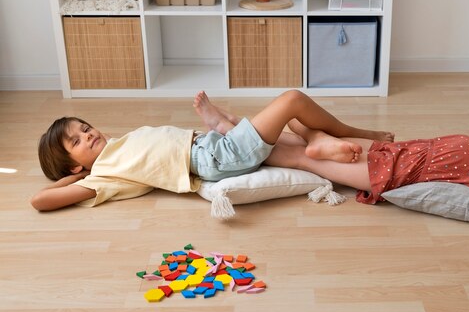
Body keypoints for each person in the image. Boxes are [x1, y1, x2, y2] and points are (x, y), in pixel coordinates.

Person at [31, 90, 393, 212]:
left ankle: (318, 142)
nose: (86, 135)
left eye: (84, 127)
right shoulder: (103, 176)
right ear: (75, 166)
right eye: (75, 142)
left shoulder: (118, 146)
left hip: (209, 146)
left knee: (296, 126)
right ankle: (349, 136)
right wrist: (72, 178)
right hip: (211, 160)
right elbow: (39, 201)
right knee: (292, 100)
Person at [260, 120, 469, 219]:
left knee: (304, 158)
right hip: (397, 152)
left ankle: (234, 145)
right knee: (303, 138)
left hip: (390, 173)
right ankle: (235, 129)